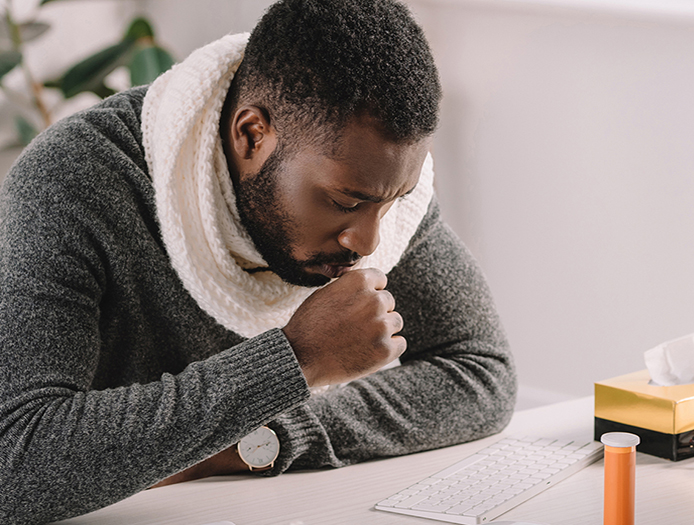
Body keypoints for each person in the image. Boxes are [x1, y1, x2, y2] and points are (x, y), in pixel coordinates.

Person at [0, 0, 516, 522]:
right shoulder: (71, 182)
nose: (368, 240)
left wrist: (258, 441)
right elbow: (16, 463)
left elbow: (481, 373)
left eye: (395, 201)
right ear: (252, 134)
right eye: (344, 202)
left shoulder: (375, 183)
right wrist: (296, 358)